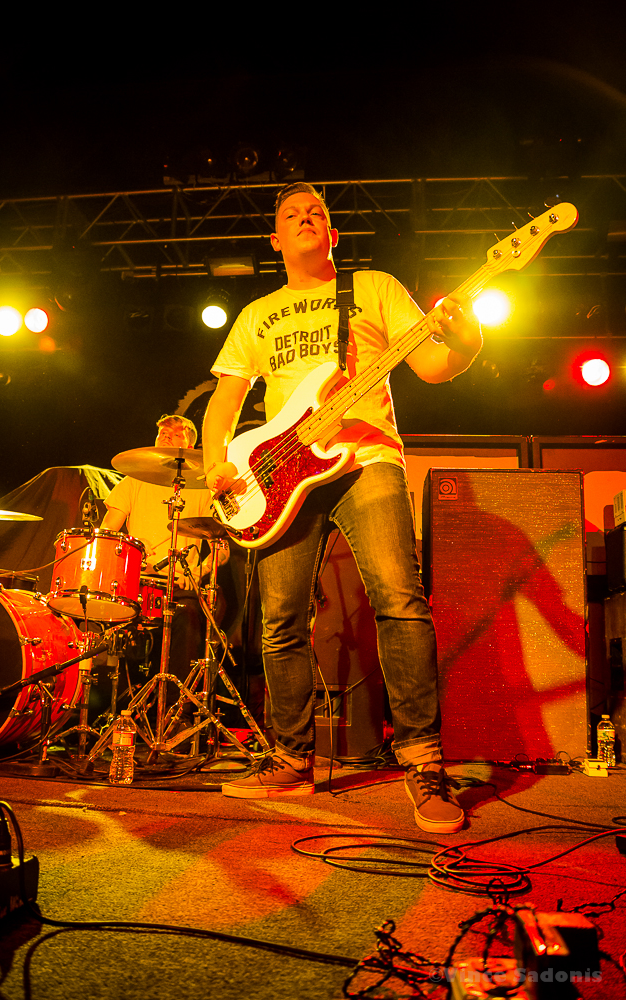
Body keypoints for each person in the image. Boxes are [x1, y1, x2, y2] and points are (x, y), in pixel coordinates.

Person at [201, 182, 483, 834]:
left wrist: (466, 341)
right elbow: (224, 401)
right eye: (291, 214)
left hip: (366, 458)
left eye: (317, 213)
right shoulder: (256, 315)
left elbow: (432, 366)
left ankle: (422, 760)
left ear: (332, 234)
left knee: (399, 599)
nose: (305, 218)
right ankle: (289, 757)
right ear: (275, 239)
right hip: (280, 475)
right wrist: (217, 459)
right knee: (279, 620)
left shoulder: (374, 288)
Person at [102, 413, 229, 681]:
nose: (166, 437)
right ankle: (120, 697)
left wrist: (199, 573)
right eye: (163, 433)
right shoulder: (133, 481)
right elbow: (107, 535)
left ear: (190, 446)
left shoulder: (202, 490)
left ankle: (175, 700)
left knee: (187, 615)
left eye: (175, 434)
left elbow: (222, 547)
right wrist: (130, 558)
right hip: (136, 582)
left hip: (180, 585)